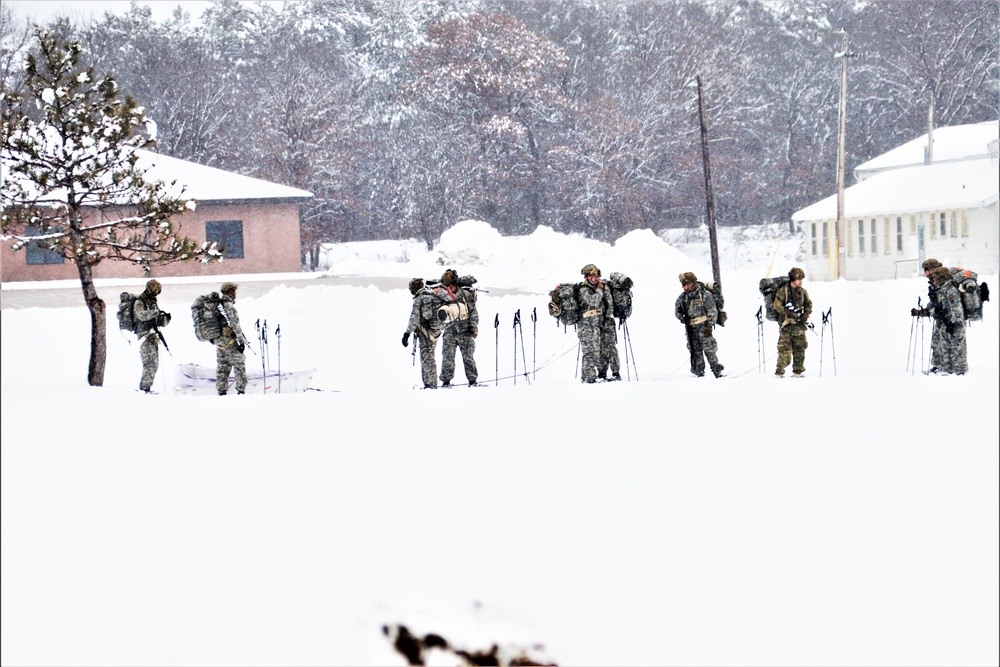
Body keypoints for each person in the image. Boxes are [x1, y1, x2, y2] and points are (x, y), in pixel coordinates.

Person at [674, 272, 724, 378]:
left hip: (704, 326)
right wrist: (680, 317)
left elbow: (712, 311)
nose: (684, 287)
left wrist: (709, 326)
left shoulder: (704, 294)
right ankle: (699, 372)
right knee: (695, 350)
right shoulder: (683, 297)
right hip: (691, 328)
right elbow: (677, 310)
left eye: (686, 284)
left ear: (692, 283)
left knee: (709, 349)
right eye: (683, 285)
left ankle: (716, 370)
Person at [435, 269, 479, 387]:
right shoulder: (442, 296)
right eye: (446, 286)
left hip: (465, 331)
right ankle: (446, 381)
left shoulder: (465, 295)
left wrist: (473, 325)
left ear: (454, 285)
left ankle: (473, 381)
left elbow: (473, 311)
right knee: (447, 359)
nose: (448, 288)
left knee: (468, 358)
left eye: (449, 286)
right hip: (450, 331)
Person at [402, 278, 446, 389]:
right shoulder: (432, 295)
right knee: (429, 357)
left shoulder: (419, 299)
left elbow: (414, 318)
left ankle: (430, 384)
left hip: (426, 333)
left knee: (427, 358)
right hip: (435, 331)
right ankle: (431, 383)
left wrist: (407, 334)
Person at [577, 264, 615, 384]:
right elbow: (593, 301)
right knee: (589, 352)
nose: (595, 279)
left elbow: (607, 303)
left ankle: (592, 376)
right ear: (586, 277)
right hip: (586, 326)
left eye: (597, 276)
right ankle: (589, 378)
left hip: (597, 325)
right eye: (592, 276)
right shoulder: (583, 289)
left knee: (596, 351)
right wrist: (599, 289)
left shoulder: (599, 287)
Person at [926, 265, 967, 375]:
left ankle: (960, 371)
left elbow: (957, 311)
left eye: (936, 277)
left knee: (957, 348)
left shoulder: (951, 291)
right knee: (945, 347)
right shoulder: (943, 289)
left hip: (955, 325)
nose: (934, 280)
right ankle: (948, 369)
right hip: (947, 323)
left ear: (942, 278)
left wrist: (952, 323)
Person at [133, 279, 171, 393]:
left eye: (157, 291)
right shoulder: (140, 302)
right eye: (154, 290)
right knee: (149, 363)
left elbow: (157, 320)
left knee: (154, 363)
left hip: (153, 336)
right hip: (145, 336)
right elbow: (141, 315)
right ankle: (144, 388)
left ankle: (146, 387)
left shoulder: (152, 302)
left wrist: (164, 319)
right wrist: (155, 313)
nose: (156, 293)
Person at [773, 267, 812, 378]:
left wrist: (806, 314)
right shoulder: (783, 291)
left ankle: (797, 373)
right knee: (784, 350)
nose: (800, 281)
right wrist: (788, 312)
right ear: (792, 279)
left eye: (801, 279)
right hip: (786, 325)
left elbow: (808, 304)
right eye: (798, 279)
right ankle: (779, 372)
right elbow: (777, 305)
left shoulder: (803, 292)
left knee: (800, 348)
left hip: (799, 326)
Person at [215, 281, 249, 395]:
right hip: (229, 341)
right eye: (234, 291)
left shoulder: (218, 305)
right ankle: (241, 390)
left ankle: (221, 390)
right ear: (230, 291)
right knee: (239, 363)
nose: (235, 293)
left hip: (219, 341)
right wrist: (241, 341)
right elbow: (235, 324)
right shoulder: (228, 306)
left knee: (223, 365)